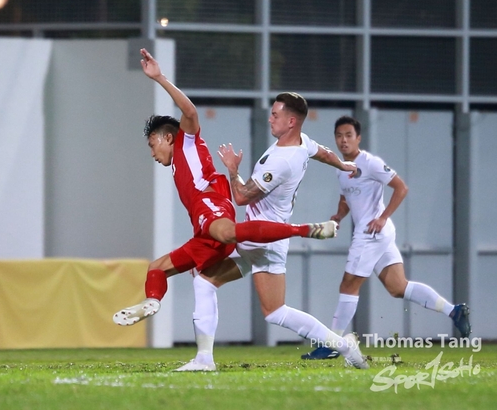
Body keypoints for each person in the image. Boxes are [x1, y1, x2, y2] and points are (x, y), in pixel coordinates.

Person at [112, 49, 337, 328]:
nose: (152, 153)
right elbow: (322, 152)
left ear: (167, 137)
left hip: (211, 205)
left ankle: (305, 230)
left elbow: (190, 111)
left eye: (152, 145)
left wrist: (159, 78)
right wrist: (343, 165)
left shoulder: (185, 141)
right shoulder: (177, 163)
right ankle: (154, 303)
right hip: (203, 228)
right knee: (160, 269)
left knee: (228, 233)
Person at [175, 93, 371, 372]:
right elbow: (321, 152)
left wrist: (232, 170)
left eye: (275, 115)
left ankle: (343, 345)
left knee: (275, 312)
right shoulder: (301, 143)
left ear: (291, 121)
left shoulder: (282, 161)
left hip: (264, 241)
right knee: (204, 281)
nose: (270, 119)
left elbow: (241, 197)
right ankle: (204, 359)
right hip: (254, 238)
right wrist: (343, 164)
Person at [301, 115, 471, 360]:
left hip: (371, 233)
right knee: (397, 287)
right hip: (376, 233)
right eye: (339, 136)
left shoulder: (370, 163)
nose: (343, 140)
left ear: (358, 138)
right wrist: (339, 215)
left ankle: (332, 344)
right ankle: (454, 311)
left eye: (348, 135)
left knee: (348, 285)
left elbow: (401, 188)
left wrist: (382, 217)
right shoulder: (341, 168)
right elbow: (346, 198)